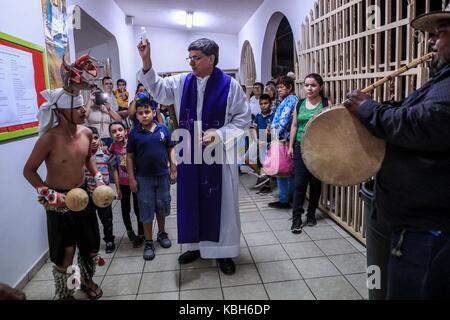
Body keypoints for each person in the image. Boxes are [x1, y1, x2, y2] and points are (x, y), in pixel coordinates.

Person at [343, 5, 450, 299]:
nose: (430, 41)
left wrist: (369, 109)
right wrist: (381, 109)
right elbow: (410, 112)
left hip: (425, 228)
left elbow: (421, 123)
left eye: (438, 34)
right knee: (382, 286)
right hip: (404, 219)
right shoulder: (441, 81)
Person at [137, 37, 251, 275]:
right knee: (191, 201)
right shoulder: (181, 82)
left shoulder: (230, 86)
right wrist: (147, 61)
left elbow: (243, 119)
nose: (191, 63)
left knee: (222, 206)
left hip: (217, 158)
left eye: (196, 58)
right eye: (189, 57)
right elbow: (158, 90)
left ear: (211, 59)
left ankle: (223, 252)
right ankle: (195, 247)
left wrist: (219, 134)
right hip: (189, 153)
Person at [23, 86, 104, 300]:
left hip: (83, 195)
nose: (83, 110)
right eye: (76, 107)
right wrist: (49, 195)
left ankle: (86, 280)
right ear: (59, 111)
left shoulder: (86, 132)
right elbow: (29, 171)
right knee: (66, 252)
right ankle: (67, 290)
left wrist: (96, 176)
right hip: (58, 200)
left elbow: (87, 159)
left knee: (90, 247)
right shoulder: (49, 139)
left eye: (81, 106)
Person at [126, 97, 177, 261]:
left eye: (147, 112)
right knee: (146, 209)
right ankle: (148, 241)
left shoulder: (163, 129)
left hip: (162, 176)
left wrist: (173, 169)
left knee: (162, 205)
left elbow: (170, 150)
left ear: (154, 112)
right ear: (137, 116)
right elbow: (129, 157)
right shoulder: (134, 133)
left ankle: (162, 233)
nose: (144, 115)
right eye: (140, 113)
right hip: (143, 178)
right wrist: (132, 179)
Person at [288, 74, 328, 234]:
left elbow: (330, 127)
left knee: (316, 183)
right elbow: (294, 125)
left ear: (320, 87)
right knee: (299, 184)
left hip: (319, 148)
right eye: (306, 85)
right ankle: (297, 217)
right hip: (300, 146)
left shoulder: (326, 103)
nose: (309, 88)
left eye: (313, 85)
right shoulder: (300, 104)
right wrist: (291, 146)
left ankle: (311, 214)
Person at [109, 121, 145, 248]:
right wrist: (118, 188)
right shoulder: (113, 148)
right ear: (110, 135)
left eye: (120, 130)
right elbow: (114, 169)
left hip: (135, 181)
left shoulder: (132, 144)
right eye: (113, 131)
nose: (117, 133)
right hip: (123, 184)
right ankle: (130, 231)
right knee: (125, 209)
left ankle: (142, 234)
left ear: (126, 131)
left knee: (138, 208)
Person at [85, 127, 117, 254]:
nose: (93, 141)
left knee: (107, 220)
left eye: (96, 138)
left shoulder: (106, 154)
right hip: (88, 194)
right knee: (90, 221)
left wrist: (117, 188)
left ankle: (109, 240)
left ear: (100, 139)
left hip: (104, 195)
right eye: (90, 139)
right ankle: (93, 243)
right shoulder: (82, 156)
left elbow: (114, 170)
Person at [268, 76, 298, 209]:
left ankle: (284, 199)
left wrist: (274, 135)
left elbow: (284, 120)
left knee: (282, 171)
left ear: (290, 87)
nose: (278, 90)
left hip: (283, 139)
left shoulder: (290, 100)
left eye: (281, 87)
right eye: (278, 87)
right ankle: (288, 197)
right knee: (289, 170)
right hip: (286, 138)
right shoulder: (290, 99)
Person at [252, 94, 274, 192]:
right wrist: (256, 140)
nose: (263, 105)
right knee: (250, 160)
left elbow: (276, 130)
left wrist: (270, 132)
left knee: (266, 164)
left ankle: (266, 186)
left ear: (270, 104)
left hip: (270, 143)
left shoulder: (274, 115)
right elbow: (254, 129)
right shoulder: (258, 116)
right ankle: (262, 177)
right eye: (261, 104)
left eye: (266, 103)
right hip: (259, 141)